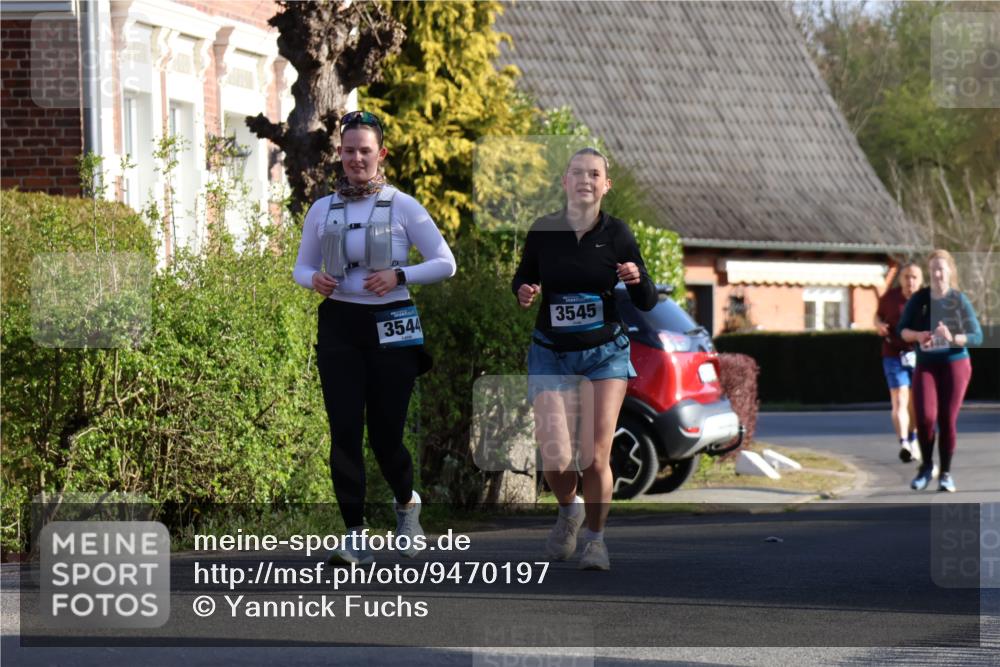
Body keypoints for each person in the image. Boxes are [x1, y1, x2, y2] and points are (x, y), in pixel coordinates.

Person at [293, 110, 456, 563]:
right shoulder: (323, 209)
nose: (356, 159)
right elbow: (301, 267)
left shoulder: (403, 205)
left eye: (365, 150)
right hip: (341, 324)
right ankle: (354, 533)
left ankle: (407, 504)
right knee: (344, 431)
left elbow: (445, 262)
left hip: (393, 324)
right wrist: (315, 282)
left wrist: (399, 274)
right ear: (339, 154)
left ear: (380, 154)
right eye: (349, 151)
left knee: (386, 435)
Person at [512, 147, 657, 570]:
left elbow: (646, 299)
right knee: (555, 457)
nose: (585, 180)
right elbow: (525, 276)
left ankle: (596, 540)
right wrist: (523, 291)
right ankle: (569, 509)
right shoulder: (544, 231)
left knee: (595, 455)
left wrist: (636, 279)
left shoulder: (618, 234)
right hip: (551, 353)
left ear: (605, 185)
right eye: (577, 172)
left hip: (604, 354)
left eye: (594, 174)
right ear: (564, 182)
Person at [899, 249, 982, 493]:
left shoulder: (959, 300)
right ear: (929, 272)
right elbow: (902, 330)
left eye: (941, 269)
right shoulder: (920, 299)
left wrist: (952, 337)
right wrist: (918, 335)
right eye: (933, 269)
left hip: (955, 363)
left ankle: (945, 473)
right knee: (924, 417)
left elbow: (977, 336)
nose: (937, 274)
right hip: (926, 364)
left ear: (950, 272)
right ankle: (926, 467)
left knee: (947, 420)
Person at [875, 263, 923, 463]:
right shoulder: (891, 297)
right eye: (906, 277)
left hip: (919, 355)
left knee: (915, 402)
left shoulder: (927, 300)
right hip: (893, 354)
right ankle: (903, 442)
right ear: (900, 279)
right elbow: (878, 315)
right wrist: (878, 324)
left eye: (914, 277)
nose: (909, 281)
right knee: (899, 398)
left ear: (920, 280)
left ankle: (913, 439)